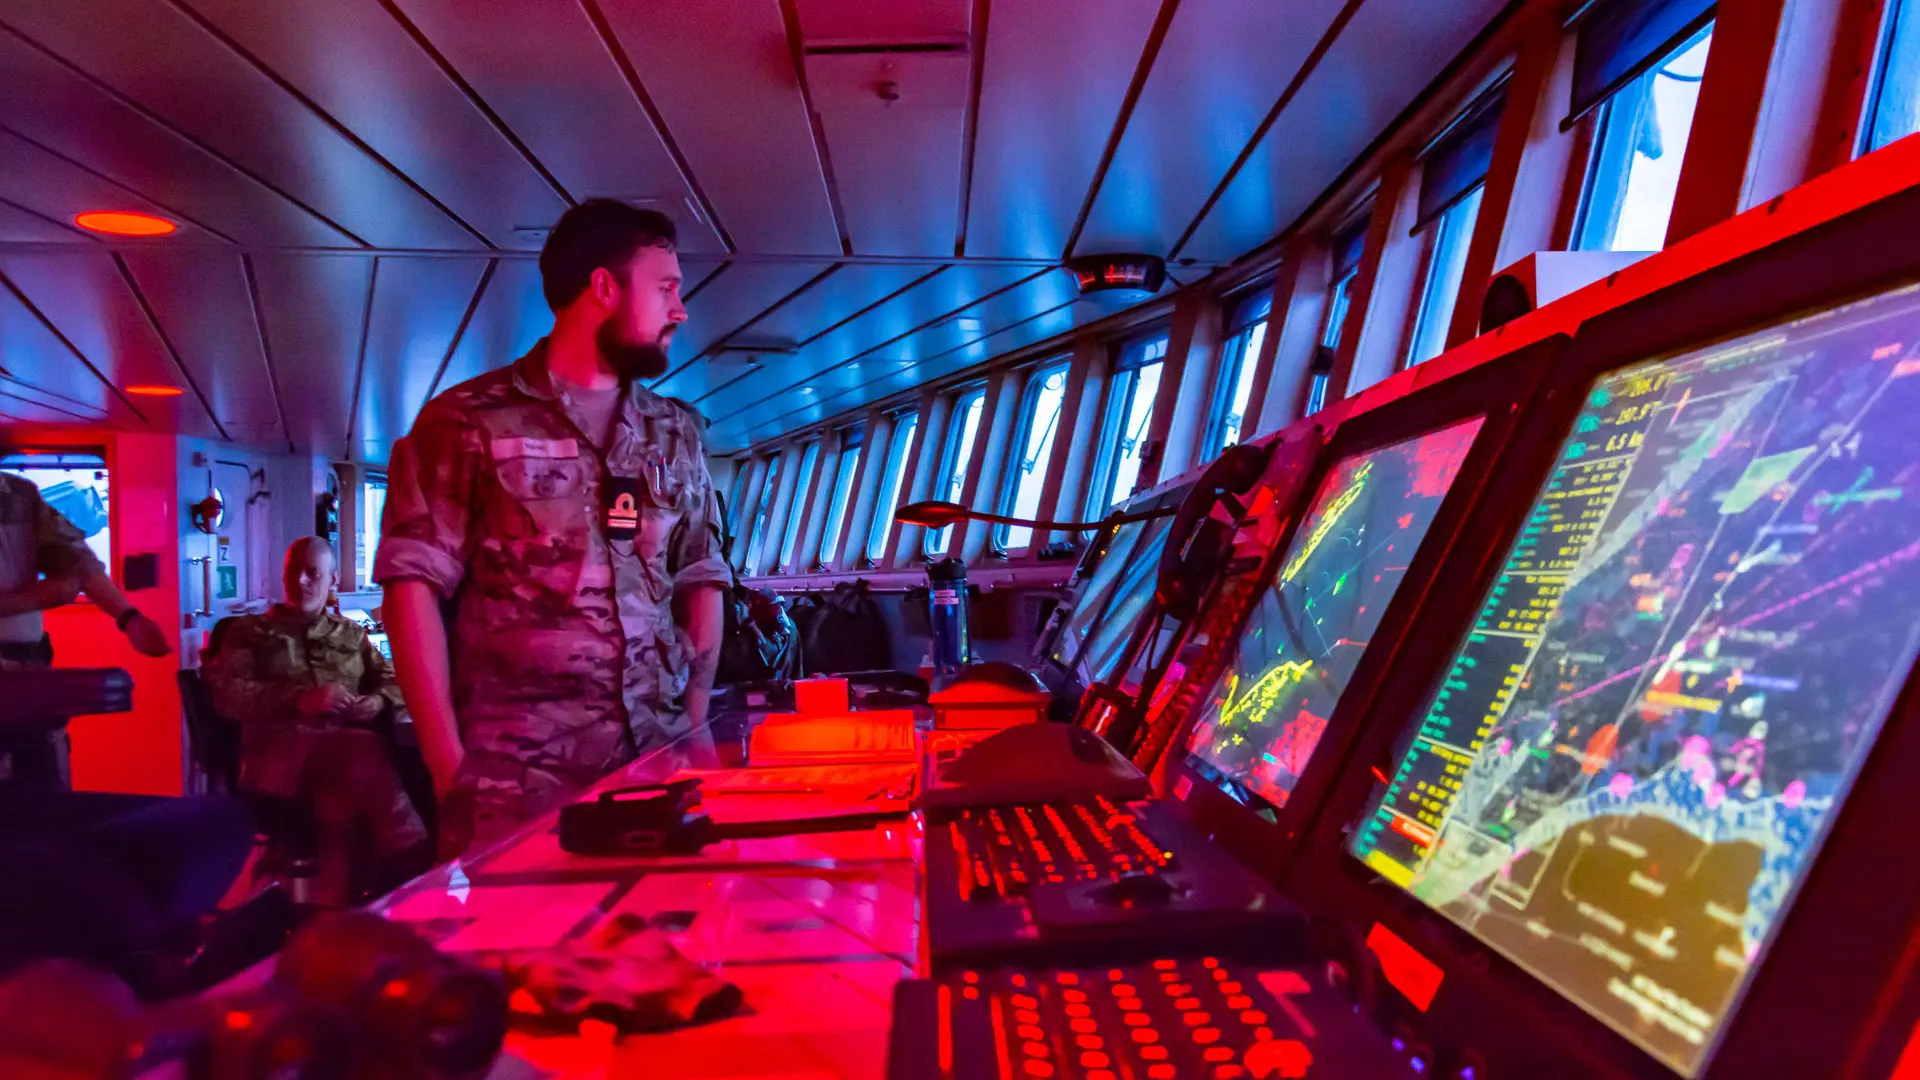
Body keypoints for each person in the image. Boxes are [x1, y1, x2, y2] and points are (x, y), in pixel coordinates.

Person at [376, 199, 731, 859]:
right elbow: (410, 587)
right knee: (517, 962)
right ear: (603, 287)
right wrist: (447, 764)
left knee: (661, 951)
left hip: (656, 767)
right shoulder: (467, 422)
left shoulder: (676, 431)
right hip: (517, 786)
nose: (680, 310)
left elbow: (700, 571)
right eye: (666, 289)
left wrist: (696, 718)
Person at [203, 536, 429, 905]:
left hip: (341, 764)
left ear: (332, 581)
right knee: (360, 749)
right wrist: (300, 700)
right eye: (295, 571)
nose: (302, 581)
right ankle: (415, 863)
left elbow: (395, 679)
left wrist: (376, 702)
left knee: (339, 800)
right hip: (275, 761)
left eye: (313, 573)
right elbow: (228, 695)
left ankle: (330, 922)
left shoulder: (353, 635)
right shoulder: (250, 632)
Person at [0, 472, 170, 788]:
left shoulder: (18, 494)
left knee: (49, 805)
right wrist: (34, 598)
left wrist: (129, 619)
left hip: (29, 678)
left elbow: (76, 562)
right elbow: (62, 584)